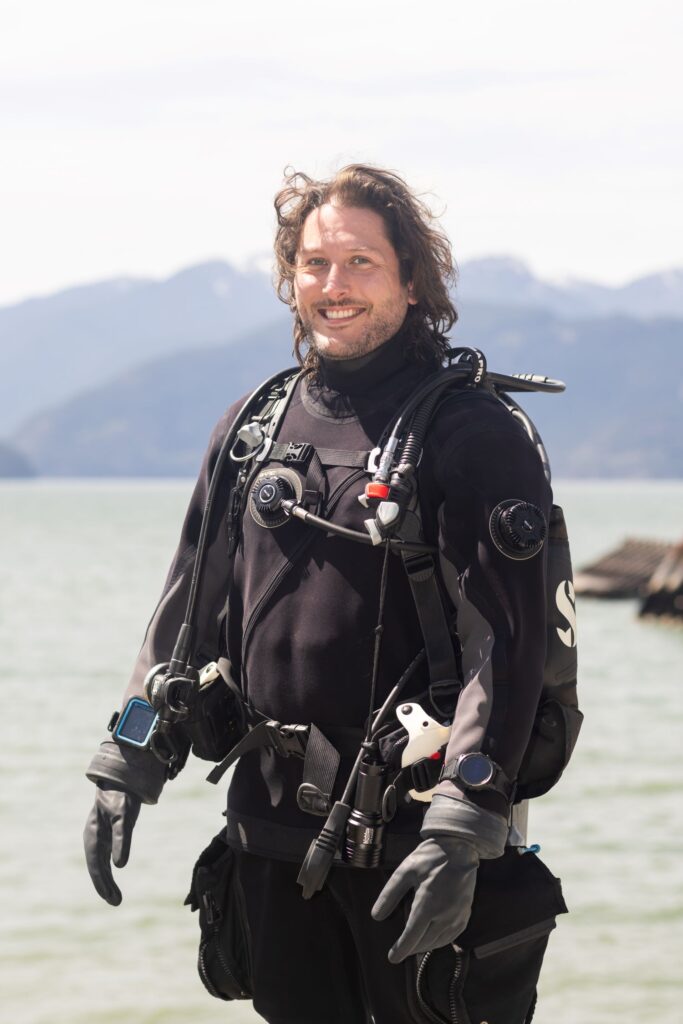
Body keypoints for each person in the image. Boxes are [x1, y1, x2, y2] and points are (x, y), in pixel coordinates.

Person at [84, 165, 573, 1024]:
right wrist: (128, 759)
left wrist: (463, 828)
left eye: (359, 263)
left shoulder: (473, 434)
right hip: (269, 842)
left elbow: (510, 642)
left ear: (412, 279)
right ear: (290, 276)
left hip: (412, 846)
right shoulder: (255, 426)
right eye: (313, 264)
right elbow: (185, 615)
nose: (332, 286)